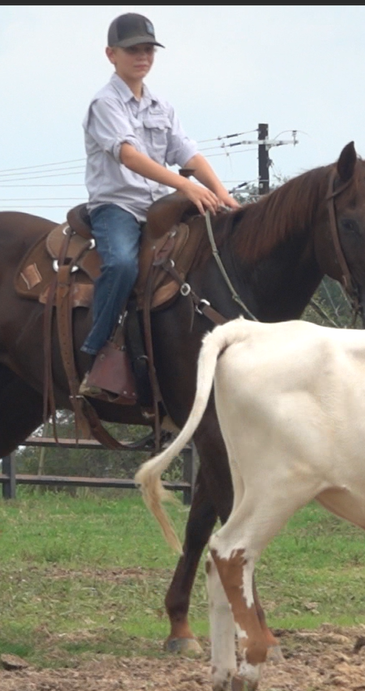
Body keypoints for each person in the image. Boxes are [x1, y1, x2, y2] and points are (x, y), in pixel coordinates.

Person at [78, 12, 240, 401]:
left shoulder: (160, 106)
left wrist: (223, 196)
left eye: (148, 49)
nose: (143, 56)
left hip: (161, 208)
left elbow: (188, 155)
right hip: (118, 207)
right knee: (121, 265)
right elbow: (129, 156)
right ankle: (96, 353)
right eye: (133, 49)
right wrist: (184, 185)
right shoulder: (104, 104)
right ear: (111, 54)